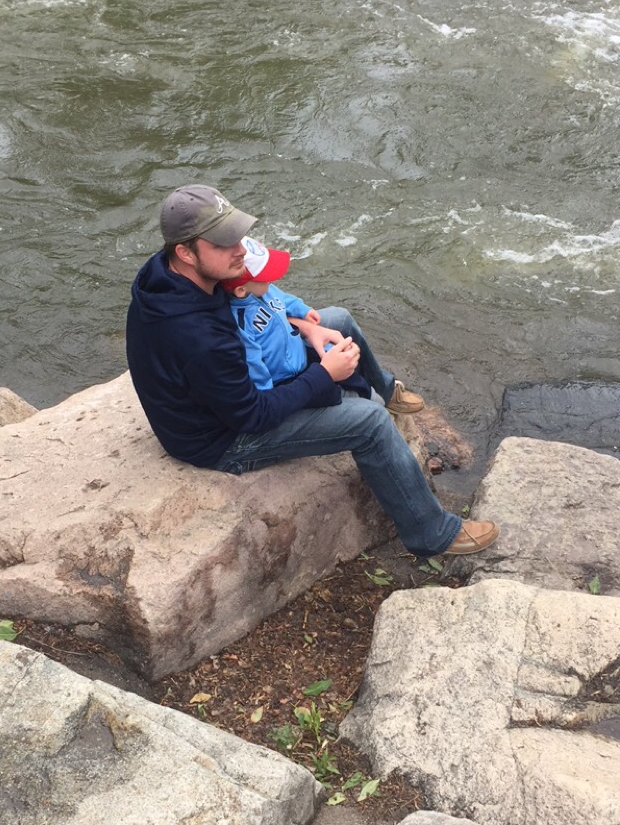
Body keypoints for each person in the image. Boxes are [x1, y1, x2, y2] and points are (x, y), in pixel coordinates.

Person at [125, 183, 499, 560]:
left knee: (337, 319)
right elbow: (252, 415)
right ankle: (431, 534)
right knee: (369, 422)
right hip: (223, 438)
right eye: (223, 243)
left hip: (228, 393)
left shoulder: (170, 273)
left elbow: (249, 313)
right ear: (185, 252)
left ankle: (386, 390)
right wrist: (324, 374)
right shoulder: (196, 335)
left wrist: (304, 325)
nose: (240, 250)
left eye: (236, 236)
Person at [220, 234, 422, 412]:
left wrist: (303, 310)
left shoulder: (264, 291)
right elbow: (254, 366)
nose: (272, 280)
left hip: (299, 354)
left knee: (346, 360)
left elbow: (284, 299)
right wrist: (267, 392)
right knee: (334, 394)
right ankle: (371, 409)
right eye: (265, 278)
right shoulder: (240, 324)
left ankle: (381, 394)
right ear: (241, 290)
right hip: (285, 378)